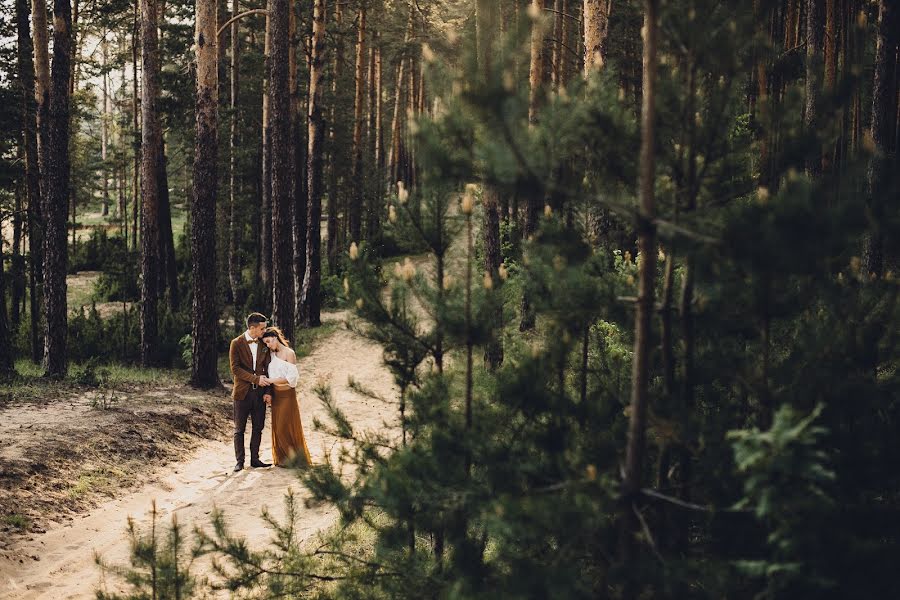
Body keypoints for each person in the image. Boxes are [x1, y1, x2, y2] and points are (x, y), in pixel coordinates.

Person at [260, 327, 313, 467]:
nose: (268, 345)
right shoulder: (271, 354)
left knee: (287, 425)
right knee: (278, 427)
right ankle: (283, 459)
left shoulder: (290, 353)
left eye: (269, 341)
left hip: (287, 395)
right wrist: (269, 391)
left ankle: (295, 458)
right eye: (265, 343)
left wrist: (270, 380)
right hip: (276, 395)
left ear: (275, 338)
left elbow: (290, 379)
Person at [228, 313, 273, 472]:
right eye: (262, 328)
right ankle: (239, 461)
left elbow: (269, 369)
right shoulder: (236, 343)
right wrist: (255, 379)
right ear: (252, 328)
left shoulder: (263, 344)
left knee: (258, 427)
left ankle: (255, 459)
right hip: (242, 393)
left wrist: (268, 391)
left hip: (260, 394)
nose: (264, 331)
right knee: (239, 429)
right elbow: (235, 369)